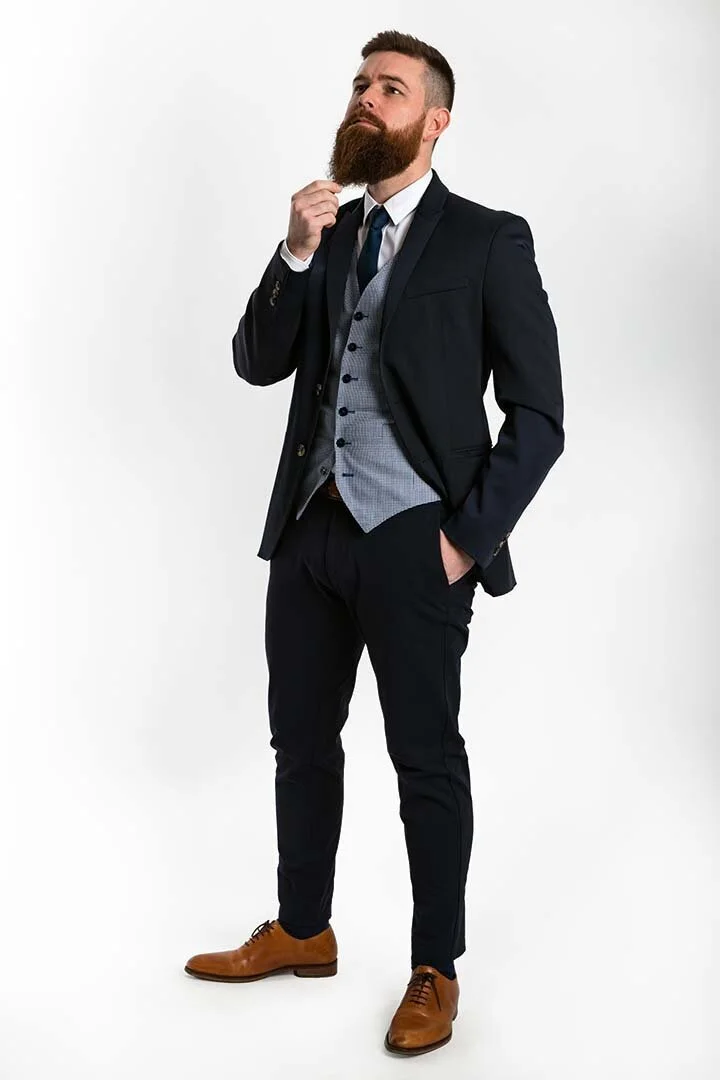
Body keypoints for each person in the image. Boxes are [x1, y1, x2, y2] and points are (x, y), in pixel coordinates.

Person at [184, 29, 564, 1056]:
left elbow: (540, 417)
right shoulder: (330, 232)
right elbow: (256, 361)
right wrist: (294, 253)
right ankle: (303, 929)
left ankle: (436, 967)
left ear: (435, 121)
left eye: (389, 88)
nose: (366, 98)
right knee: (300, 743)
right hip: (310, 530)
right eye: (359, 83)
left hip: (415, 538)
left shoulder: (488, 240)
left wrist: (463, 541)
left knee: (424, 756)